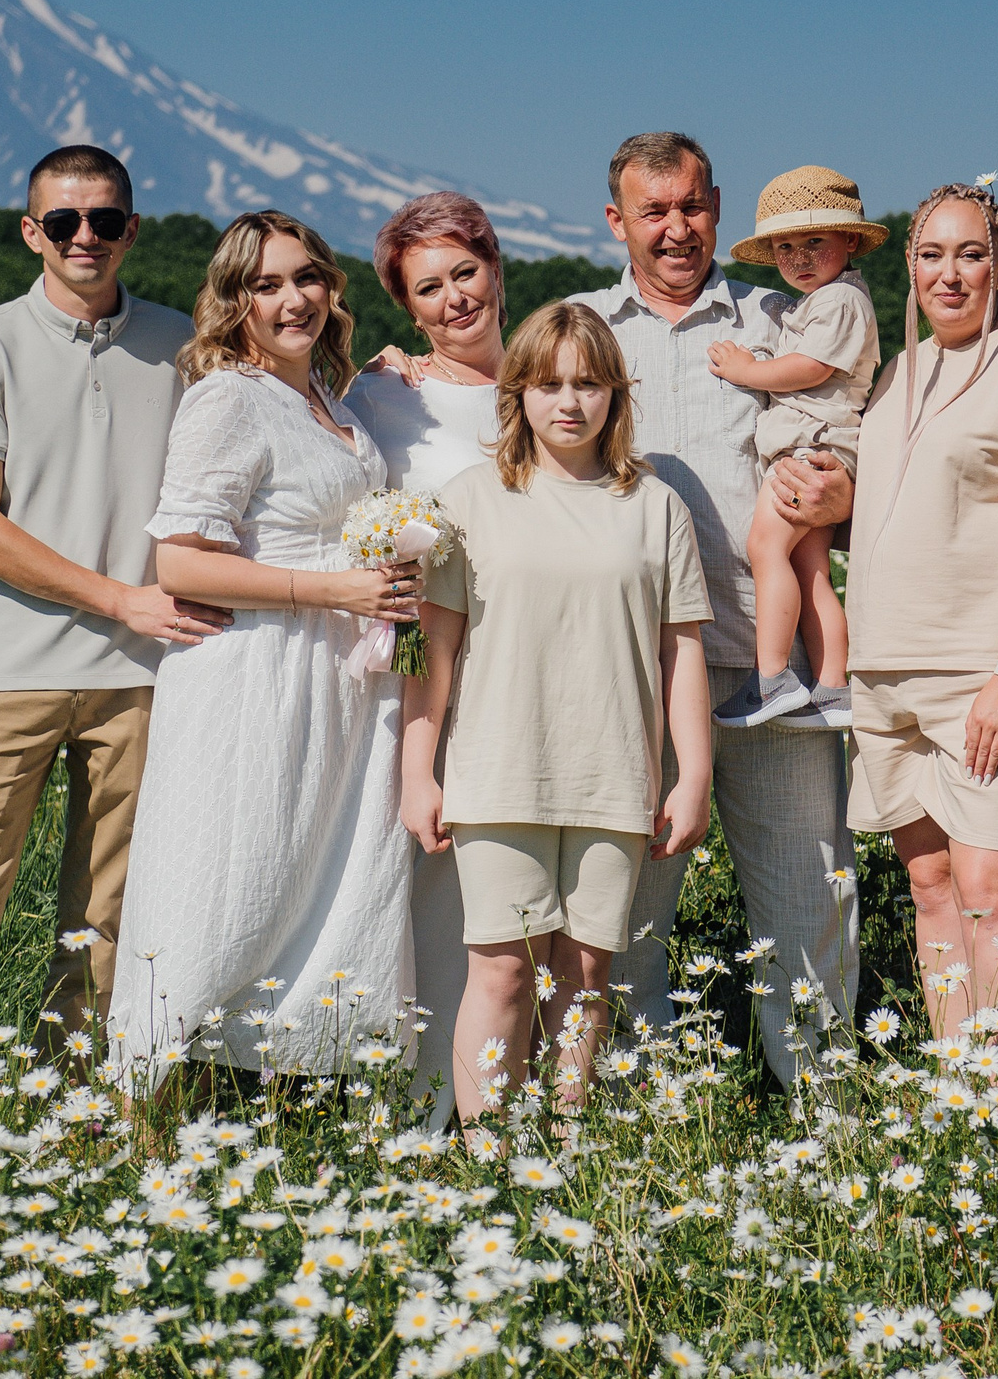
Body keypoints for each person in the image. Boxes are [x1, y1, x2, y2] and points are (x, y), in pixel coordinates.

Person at [0, 144, 216, 1099]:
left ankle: (66, 1112)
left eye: (106, 220)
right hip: (9, 672)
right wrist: (118, 596)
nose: (87, 237)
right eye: (65, 221)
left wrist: (398, 363)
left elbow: (293, 362)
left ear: (132, 229)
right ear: (32, 231)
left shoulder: (183, 341)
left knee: (108, 922)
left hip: (145, 677)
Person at [104, 211, 423, 1088]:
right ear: (234, 300)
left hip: (339, 678)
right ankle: (145, 1092)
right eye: (268, 284)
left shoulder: (327, 394)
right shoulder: (228, 397)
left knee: (317, 881)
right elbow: (178, 559)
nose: (294, 299)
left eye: (308, 278)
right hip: (254, 673)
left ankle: (299, 1078)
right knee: (229, 875)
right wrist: (337, 591)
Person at [568, 132, 860, 1093]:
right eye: (653, 210)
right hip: (636, 671)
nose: (676, 228)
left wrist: (841, 491)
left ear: (719, 206)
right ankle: (650, 1108)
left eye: (691, 206)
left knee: (807, 897)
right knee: (630, 910)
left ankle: (823, 1103)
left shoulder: (792, 318)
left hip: (771, 670)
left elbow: (861, 444)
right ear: (618, 221)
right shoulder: (581, 333)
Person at [402, 302, 714, 1123]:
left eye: (588, 383)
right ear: (518, 394)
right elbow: (431, 657)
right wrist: (416, 774)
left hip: (616, 774)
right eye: (547, 384)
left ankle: (563, 1144)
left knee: (585, 975)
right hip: (499, 771)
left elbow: (681, 655)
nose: (568, 402)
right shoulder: (471, 500)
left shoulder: (656, 507)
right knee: (502, 971)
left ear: (616, 394)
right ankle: (486, 1152)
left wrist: (693, 779)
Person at [843, 180, 998, 1042]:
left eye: (969, 254)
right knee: (931, 888)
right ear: (910, 266)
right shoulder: (897, 372)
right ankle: (966, 1088)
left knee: (994, 890)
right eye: (931, 255)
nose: (948, 275)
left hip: (986, 670)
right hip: (886, 670)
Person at [344, 191, 508, 1124]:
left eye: (465, 272)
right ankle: (414, 1111)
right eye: (428, 288)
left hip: (527, 670)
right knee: (427, 893)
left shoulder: (549, 380)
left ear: (495, 265)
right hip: (424, 678)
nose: (454, 299)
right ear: (406, 310)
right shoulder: (384, 394)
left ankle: (502, 1098)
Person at [706, 166, 884, 731]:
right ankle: (834, 687)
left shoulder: (840, 302)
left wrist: (749, 369)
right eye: (785, 247)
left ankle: (773, 676)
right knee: (809, 571)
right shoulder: (821, 302)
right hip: (819, 448)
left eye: (814, 242)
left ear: (849, 241)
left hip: (810, 449)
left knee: (764, 549)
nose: (799, 257)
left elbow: (813, 366)